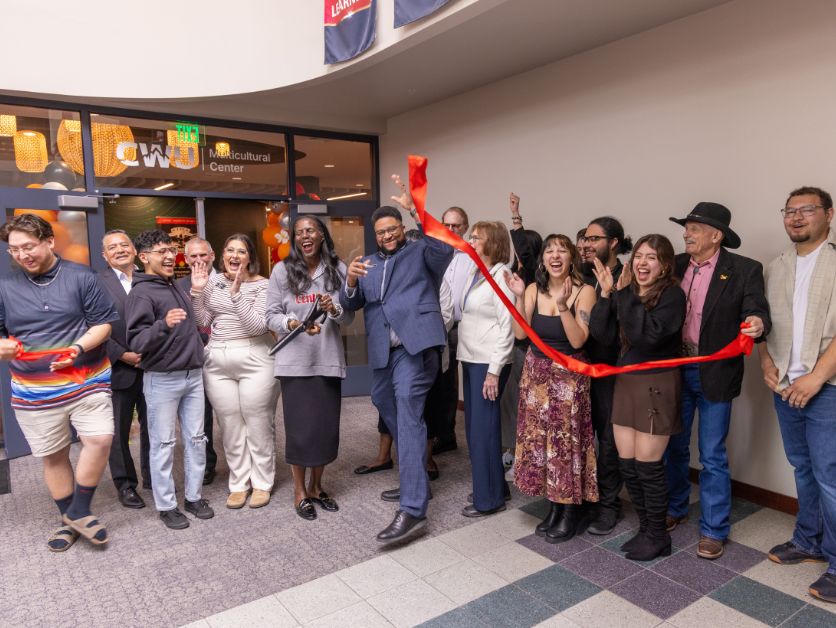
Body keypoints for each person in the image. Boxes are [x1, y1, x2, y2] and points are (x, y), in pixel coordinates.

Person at [0, 213, 119, 550]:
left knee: (99, 440)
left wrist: (78, 346)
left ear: (49, 241)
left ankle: (79, 510)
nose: (22, 255)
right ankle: (69, 519)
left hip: (86, 378)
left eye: (28, 246)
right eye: (14, 250)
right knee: (54, 456)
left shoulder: (82, 277)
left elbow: (103, 324)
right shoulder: (4, 287)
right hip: (34, 390)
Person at [341, 204, 453, 544]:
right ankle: (415, 478)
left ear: (402, 228)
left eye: (392, 228)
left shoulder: (421, 251)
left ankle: (414, 507)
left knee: (407, 413)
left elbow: (445, 248)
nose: (387, 235)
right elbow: (351, 305)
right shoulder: (368, 264)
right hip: (383, 351)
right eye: (381, 232)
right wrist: (349, 281)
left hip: (416, 347)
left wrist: (419, 210)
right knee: (382, 399)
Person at [665, 203, 770, 559]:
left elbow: (757, 310)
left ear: (716, 235)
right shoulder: (675, 265)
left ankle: (713, 529)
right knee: (674, 446)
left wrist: (757, 324)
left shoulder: (743, 270)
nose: (686, 234)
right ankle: (675, 508)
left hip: (715, 373)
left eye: (693, 228)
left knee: (712, 455)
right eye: (686, 228)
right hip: (675, 369)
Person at [760, 186, 836, 603]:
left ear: (829, 214)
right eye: (790, 210)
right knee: (803, 467)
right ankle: (808, 540)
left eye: (807, 210)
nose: (796, 217)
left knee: (831, 476)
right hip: (786, 387)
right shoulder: (777, 266)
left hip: (827, 389)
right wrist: (767, 366)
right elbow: (765, 327)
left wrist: (816, 378)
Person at [590, 234, 685, 561]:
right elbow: (602, 335)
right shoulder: (626, 293)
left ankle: (658, 536)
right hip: (626, 383)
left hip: (655, 385)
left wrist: (624, 294)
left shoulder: (673, 295)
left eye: (652, 258)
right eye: (640, 256)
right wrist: (606, 294)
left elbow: (648, 336)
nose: (643, 263)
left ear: (665, 265)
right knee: (628, 465)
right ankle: (646, 529)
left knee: (649, 466)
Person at [508, 234, 597, 543]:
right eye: (550, 251)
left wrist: (562, 306)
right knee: (540, 442)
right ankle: (554, 506)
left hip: (568, 378)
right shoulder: (534, 288)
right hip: (536, 375)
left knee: (565, 444)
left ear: (572, 257)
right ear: (543, 259)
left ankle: (571, 509)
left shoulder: (585, 292)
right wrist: (519, 296)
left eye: (562, 251)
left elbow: (577, 341)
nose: (555, 256)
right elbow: (521, 333)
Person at [267, 216, 353, 520]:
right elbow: (270, 315)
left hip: (328, 360)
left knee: (325, 430)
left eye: (310, 230)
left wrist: (335, 309)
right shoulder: (282, 270)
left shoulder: (338, 269)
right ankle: (300, 491)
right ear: (295, 238)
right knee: (301, 431)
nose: (305, 235)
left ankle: (317, 487)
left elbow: (348, 318)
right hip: (294, 363)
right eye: (299, 232)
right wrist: (293, 324)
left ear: (321, 235)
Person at [127, 230, 214, 529]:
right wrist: (162, 325)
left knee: (196, 441)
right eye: (161, 250)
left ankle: (193, 497)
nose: (168, 256)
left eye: (171, 249)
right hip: (162, 379)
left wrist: (197, 292)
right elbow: (136, 341)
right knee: (163, 444)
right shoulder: (141, 292)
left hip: (192, 376)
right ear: (144, 256)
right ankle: (166, 505)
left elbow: (194, 326)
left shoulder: (176, 285)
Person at [191, 233, 279, 510]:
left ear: (250, 257)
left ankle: (262, 482)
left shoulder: (264, 286)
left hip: (255, 356)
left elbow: (256, 327)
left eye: (241, 251)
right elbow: (203, 321)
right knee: (229, 425)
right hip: (217, 359)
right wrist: (197, 293)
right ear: (223, 255)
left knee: (257, 422)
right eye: (230, 250)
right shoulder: (213, 281)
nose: (234, 255)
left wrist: (238, 293)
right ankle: (239, 483)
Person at [457, 221, 515, 517]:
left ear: (492, 243)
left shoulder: (502, 276)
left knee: (483, 431)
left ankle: (489, 500)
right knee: (476, 428)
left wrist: (494, 371)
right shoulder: (479, 273)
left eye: (476, 238)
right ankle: (494, 487)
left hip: (487, 363)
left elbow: (507, 327)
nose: (471, 241)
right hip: (470, 359)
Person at [580, 217, 633, 535]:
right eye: (584, 239)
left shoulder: (627, 275)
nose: (586, 244)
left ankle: (608, 506)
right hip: (578, 368)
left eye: (594, 239)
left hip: (612, 371)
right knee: (583, 436)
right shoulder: (580, 274)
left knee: (609, 441)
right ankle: (586, 496)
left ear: (613, 242)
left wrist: (609, 295)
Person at [99, 229, 150, 509]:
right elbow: (91, 327)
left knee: (153, 427)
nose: (119, 250)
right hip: (118, 367)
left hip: (153, 366)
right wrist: (123, 355)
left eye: (124, 245)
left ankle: (154, 477)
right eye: (112, 247)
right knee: (118, 431)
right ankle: (126, 485)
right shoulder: (96, 283)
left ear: (134, 250)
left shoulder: (150, 278)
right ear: (104, 255)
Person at [501, 193, 543, 475]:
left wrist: (516, 216)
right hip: (510, 344)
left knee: (526, 405)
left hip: (529, 348)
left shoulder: (533, 273)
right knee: (510, 401)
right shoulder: (510, 270)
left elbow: (526, 256)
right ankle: (511, 449)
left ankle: (523, 455)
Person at [432, 205, 474, 455]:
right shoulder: (434, 253)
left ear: (465, 228)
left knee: (471, 379)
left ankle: (476, 436)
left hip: (468, 325)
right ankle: (445, 435)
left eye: (456, 225)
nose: (451, 229)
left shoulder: (473, 255)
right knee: (444, 381)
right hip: (441, 326)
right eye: (446, 224)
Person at [177, 237, 219, 486]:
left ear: (212, 255)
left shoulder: (227, 280)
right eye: (193, 256)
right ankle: (207, 466)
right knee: (200, 419)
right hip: (195, 359)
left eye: (203, 255)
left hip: (225, 354)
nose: (198, 260)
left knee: (231, 416)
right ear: (186, 258)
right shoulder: (178, 285)